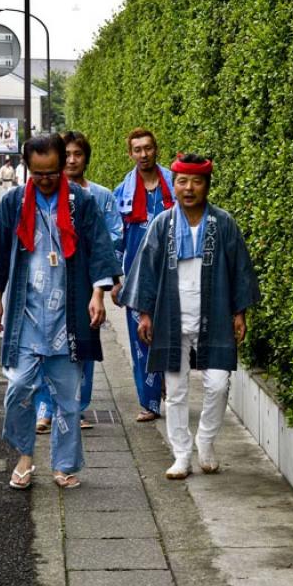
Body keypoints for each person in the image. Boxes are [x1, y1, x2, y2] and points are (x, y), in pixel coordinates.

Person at [0, 134, 122, 490]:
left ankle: (64, 464)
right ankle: (25, 456)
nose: (45, 179)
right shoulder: (13, 202)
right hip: (26, 311)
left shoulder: (81, 202)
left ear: (61, 167)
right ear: (27, 167)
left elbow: (100, 249)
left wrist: (98, 295)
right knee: (19, 389)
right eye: (38, 172)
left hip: (68, 312)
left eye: (52, 172)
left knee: (68, 397)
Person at [120, 153, 260, 479]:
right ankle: (181, 454)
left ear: (207, 185)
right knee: (176, 389)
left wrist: (239, 312)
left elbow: (239, 270)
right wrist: (145, 314)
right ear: (175, 184)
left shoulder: (223, 224)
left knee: (218, 384)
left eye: (197, 181)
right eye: (182, 181)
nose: (189, 188)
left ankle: (206, 442)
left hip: (214, 313)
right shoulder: (162, 224)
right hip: (171, 315)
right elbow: (147, 272)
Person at [34, 130, 122, 433]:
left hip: (86, 280)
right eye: (67, 154)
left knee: (82, 345)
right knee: (45, 343)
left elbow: (111, 236)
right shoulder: (40, 194)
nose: (72, 160)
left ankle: (77, 405)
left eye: (78, 154)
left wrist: (104, 277)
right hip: (49, 280)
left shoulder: (99, 196)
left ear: (86, 158)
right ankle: (45, 407)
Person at [112, 128, 175, 422]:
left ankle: (171, 389)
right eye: (137, 149)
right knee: (142, 338)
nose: (143, 154)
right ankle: (149, 402)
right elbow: (115, 239)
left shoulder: (174, 185)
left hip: (173, 273)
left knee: (172, 335)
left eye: (148, 148)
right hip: (137, 277)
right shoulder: (122, 192)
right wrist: (114, 279)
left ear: (156, 149)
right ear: (130, 154)